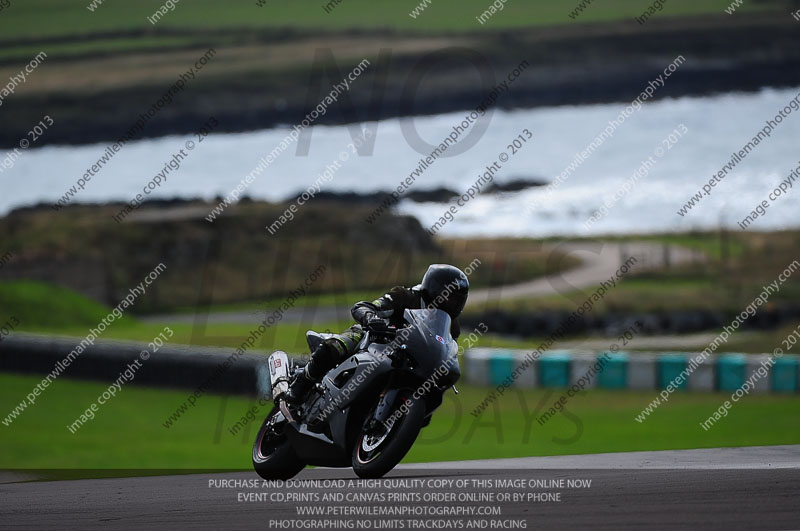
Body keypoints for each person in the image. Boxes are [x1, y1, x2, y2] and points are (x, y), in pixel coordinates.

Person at [284, 264, 469, 404]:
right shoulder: (406, 296)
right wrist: (371, 318)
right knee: (336, 346)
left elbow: (446, 350)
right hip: (374, 340)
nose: (453, 304)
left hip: (409, 361)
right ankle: (301, 384)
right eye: (450, 296)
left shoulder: (452, 327)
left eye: (458, 300)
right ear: (436, 289)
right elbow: (364, 307)